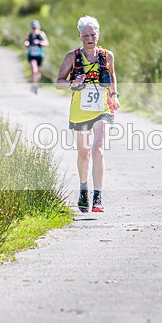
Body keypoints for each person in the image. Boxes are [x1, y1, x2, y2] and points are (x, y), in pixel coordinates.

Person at [55, 15, 120, 213]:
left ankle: (98, 197)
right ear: (80, 36)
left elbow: (112, 74)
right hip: (80, 111)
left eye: (93, 34)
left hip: (102, 108)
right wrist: (73, 83)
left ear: (98, 34)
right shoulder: (72, 57)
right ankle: (84, 189)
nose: (90, 38)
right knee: (84, 156)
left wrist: (114, 95)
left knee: (98, 150)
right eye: (86, 35)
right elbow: (58, 83)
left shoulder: (107, 55)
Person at [23, 20, 49, 94]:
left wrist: (39, 42)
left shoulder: (41, 34)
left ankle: (35, 85)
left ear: (38, 27)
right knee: (34, 70)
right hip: (31, 55)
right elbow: (26, 42)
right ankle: (34, 85)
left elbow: (46, 43)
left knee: (38, 72)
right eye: (33, 27)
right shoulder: (29, 35)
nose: (34, 29)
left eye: (35, 27)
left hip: (39, 55)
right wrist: (27, 44)